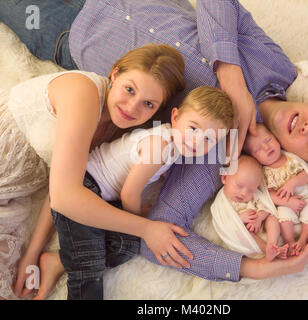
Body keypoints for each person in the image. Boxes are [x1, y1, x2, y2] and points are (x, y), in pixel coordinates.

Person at [1, 0, 308, 292]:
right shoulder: (276, 66)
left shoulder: (215, 156)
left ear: (298, 157)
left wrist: (257, 269)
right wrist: (233, 79)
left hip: (69, 32)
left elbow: (162, 235)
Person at [0, 42, 190, 300]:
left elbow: (64, 183)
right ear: (115, 74)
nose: (133, 107)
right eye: (129, 89)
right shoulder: (83, 93)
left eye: (148, 104)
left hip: (18, 190)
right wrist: (146, 228)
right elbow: (66, 196)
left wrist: (33, 252)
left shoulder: (119, 128)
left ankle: (57, 262)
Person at [32, 86, 234, 299]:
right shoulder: (160, 146)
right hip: (83, 187)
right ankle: (76, 268)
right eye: (193, 129)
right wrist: (140, 223)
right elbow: (129, 193)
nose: (196, 141)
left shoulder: (173, 145)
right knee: (88, 269)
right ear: (175, 116)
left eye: (209, 139)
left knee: (126, 246)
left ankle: (58, 261)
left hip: (105, 197)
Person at [244, 124, 308, 256]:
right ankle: (289, 241)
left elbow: (305, 175)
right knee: (283, 214)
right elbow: (269, 195)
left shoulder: (291, 159)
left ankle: (303, 239)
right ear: (254, 158)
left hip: (304, 198)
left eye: (268, 140)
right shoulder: (264, 173)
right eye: (258, 150)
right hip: (285, 203)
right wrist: (288, 202)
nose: (267, 148)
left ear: (276, 138)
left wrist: (293, 183)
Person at [211, 155, 289, 261]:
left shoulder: (254, 195)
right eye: (239, 186)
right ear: (225, 178)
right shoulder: (222, 202)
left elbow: (266, 206)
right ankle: (266, 249)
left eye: (251, 190)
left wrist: (259, 218)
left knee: (272, 219)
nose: (244, 193)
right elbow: (222, 223)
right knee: (243, 233)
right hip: (245, 234)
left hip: (259, 225)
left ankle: (272, 245)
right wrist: (239, 219)